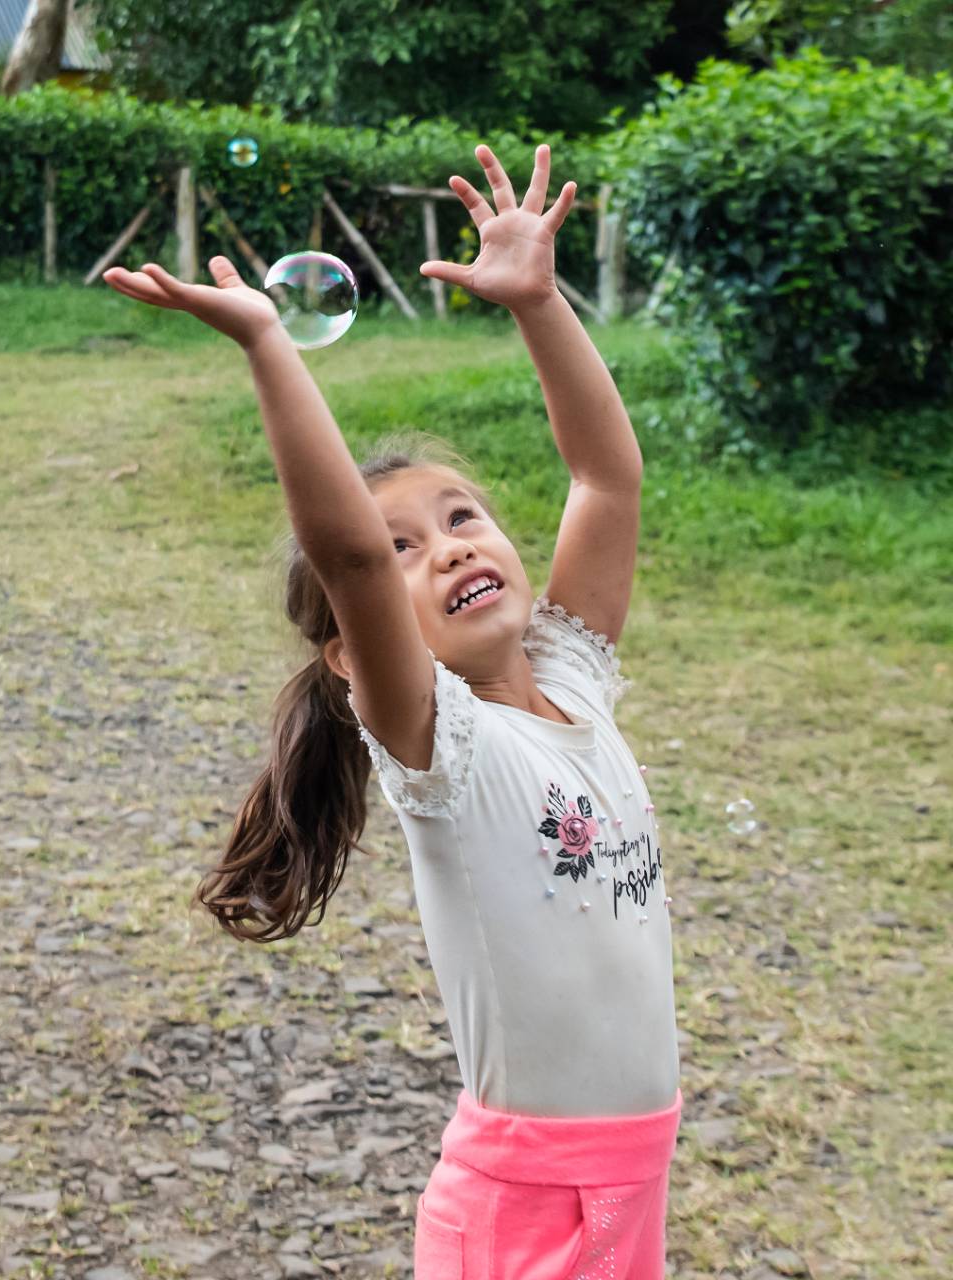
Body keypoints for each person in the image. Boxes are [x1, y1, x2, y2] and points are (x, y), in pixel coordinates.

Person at [104, 141, 683, 1280]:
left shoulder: (572, 680)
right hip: (524, 1206)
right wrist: (270, 341)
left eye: (463, 513)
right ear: (350, 662)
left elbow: (607, 477)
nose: (450, 543)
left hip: (632, 1171)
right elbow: (350, 557)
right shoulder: (446, 753)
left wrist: (537, 301)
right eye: (410, 545)